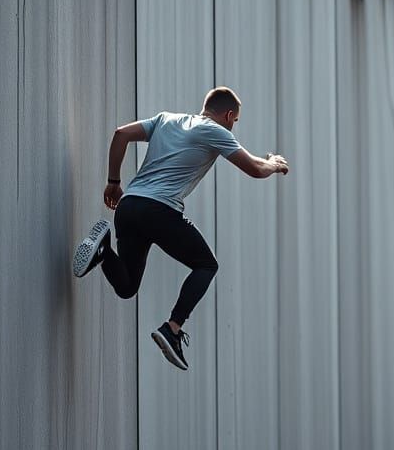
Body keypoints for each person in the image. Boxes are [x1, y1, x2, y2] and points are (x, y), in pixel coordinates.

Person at [72, 87, 289, 371]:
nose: (232, 127)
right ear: (229, 115)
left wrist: (113, 181)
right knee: (206, 265)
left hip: (129, 206)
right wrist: (273, 164)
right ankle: (172, 329)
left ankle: (102, 249)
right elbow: (255, 168)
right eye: (234, 122)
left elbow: (120, 134)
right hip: (159, 210)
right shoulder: (216, 131)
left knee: (126, 287)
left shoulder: (166, 119)